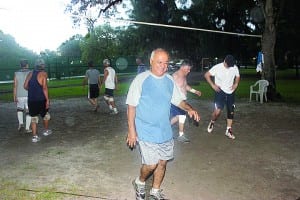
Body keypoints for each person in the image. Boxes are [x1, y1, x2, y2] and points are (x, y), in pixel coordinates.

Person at [126, 48, 200, 200]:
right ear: (151, 61)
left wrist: (190, 109)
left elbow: (178, 100)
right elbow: (131, 106)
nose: (163, 66)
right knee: (151, 164)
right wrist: (132, 131)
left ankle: (155, 190)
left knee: (162, 162)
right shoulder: (141, 79)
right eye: (159, 62)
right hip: (146, 130)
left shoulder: (169, 80)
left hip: (164, 130)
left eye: (166, 63)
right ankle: (140, 182)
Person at [204, 54, 240, 140]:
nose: (229, 67)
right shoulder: (217, 67)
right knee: (217, 112)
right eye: (228, 65)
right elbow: (206, 75)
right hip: (220, 91)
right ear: (224, 61)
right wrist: (213, 85)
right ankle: (212, 122)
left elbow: (238, 76)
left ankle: (228, 130)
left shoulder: (234, 67)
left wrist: (236, 84)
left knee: (231, 111)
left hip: (230, 92)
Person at [170, 60, 201, 143]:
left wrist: (195, 91)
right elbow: (170, 90)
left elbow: (185, 86)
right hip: (176, 102)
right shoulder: (175, 76)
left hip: (182, 101)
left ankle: (165, 129)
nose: (189, 71)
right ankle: (181, 135)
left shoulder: (183, 76)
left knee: (177, 117)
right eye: (188, 69)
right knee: (181, 116)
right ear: (183, 67)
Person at [24, 59, 52, 143]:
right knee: (45, 115)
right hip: (41, 99)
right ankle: (46, 131)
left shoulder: (30, 73)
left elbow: (25, 86)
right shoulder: (43, 74)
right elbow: (44, 88)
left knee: (33, 117)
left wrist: (33, 90)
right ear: (43, 65)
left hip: (31, 100)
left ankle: (34, 137)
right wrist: (47, 100)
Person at [13, 59, 32, 133]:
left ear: (20, 65)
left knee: (19, 109)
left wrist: (14, 96)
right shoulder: (31, 73)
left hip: (19, 95)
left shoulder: (16, 73)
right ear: (27, 65)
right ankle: (27, 128)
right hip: (29, 94)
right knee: (28, 111)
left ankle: (21, 124)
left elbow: (15, 86)